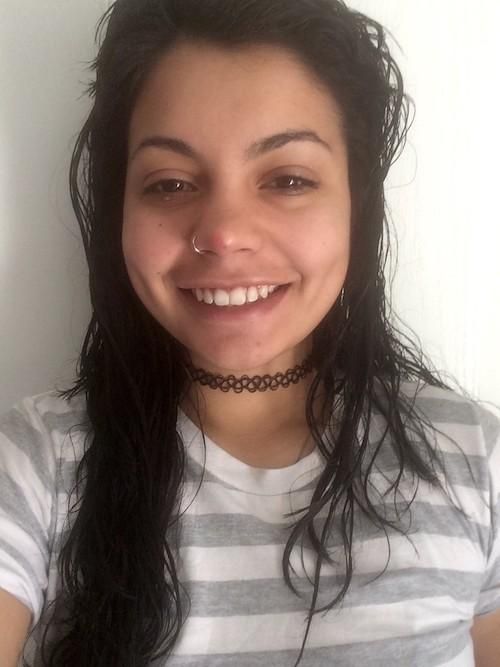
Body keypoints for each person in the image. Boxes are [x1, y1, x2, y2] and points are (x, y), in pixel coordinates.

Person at [0, 0, 499, 665]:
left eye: (288, 179)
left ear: (357, 206)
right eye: (170, 183)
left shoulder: (476, 461)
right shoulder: (33, 467)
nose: (224, 233)